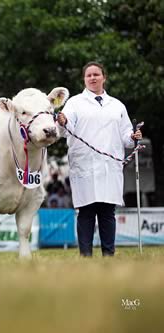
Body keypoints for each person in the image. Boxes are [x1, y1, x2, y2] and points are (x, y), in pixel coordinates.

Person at [57, 61, 142, 257]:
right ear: (84, 79)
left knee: (107, 212)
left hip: (109, 166)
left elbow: (126, 136)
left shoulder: (117, 105)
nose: (93, 78)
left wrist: (133, 137)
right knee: (86, 212)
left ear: (104, 77)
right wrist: (62, 121)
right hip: (84, 164)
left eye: (96, 74)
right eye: (89, 75)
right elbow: (64, 128)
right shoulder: (75, 103)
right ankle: (85, 255)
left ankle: (108, 255)